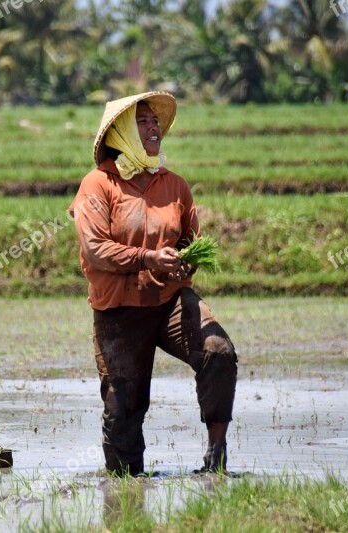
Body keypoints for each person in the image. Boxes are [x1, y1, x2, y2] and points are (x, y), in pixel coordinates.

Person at [68, 91, 238, 477]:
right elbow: (95, 250)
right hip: (119, 310)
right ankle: (126, 487)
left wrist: (182, 265)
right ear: (122, 133)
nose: (153, 127)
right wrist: (147, 257)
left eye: (154, 121)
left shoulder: (174, 184)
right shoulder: (97, 186)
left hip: (169, 300)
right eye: (142, 121)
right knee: (123, 408)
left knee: (218, 351)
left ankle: (216, 456)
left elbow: (187, 243)